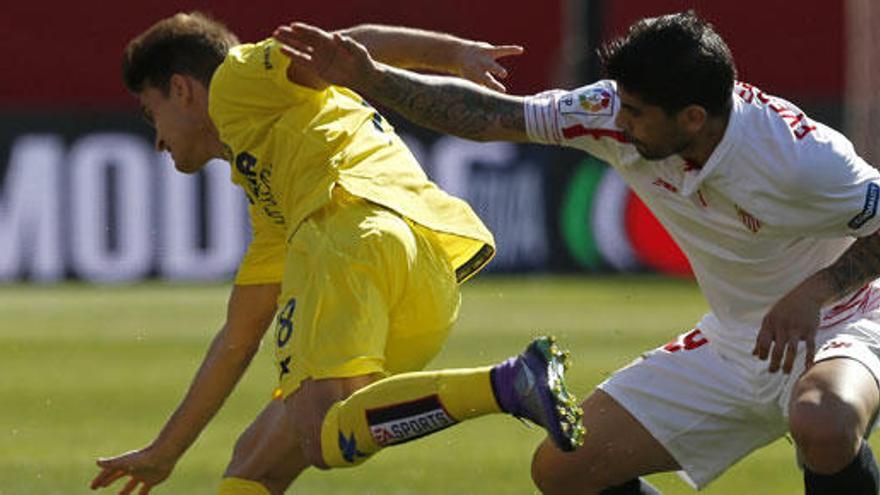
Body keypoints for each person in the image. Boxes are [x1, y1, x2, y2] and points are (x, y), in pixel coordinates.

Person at [275, 11, 880, 494]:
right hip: (733, 338)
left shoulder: (805, 160)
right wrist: (374, 79)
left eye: (637, 113)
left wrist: (814, 292)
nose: (620, 121)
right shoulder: (612, 114)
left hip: (844, 319)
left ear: (693, 118)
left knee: (822, 420)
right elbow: (492, 117)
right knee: (562, 471)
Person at [90, 12, 585, 495]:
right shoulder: (274, 188)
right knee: (257, 461)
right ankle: (506, 385)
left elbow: (343, 48)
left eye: (151, 113)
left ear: (182, 89)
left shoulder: (235, 80)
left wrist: (451, 56)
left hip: (348, 232)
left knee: (323, 433)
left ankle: (508, 384)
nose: (156, 139)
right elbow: (238, 339)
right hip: (427, 272)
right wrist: (165, 452)